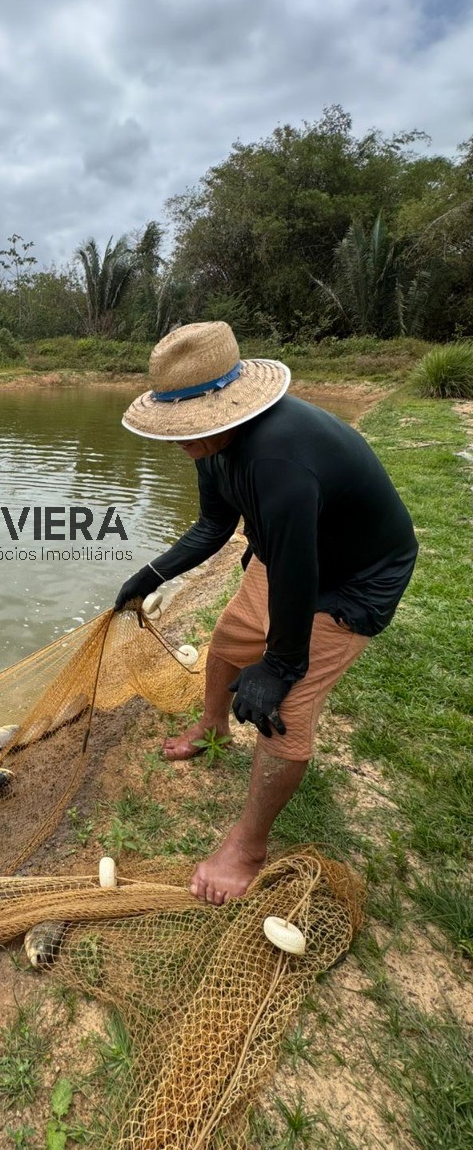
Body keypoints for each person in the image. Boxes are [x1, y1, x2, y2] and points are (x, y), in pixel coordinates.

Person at [114, 322, 417, 905]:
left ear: (227, 406)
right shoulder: (212, 441)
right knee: (229, 638)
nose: (181, 440)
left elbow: (302, 574)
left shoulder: (280, 460)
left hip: (357, 577)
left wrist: (280, 665)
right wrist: (151, 576)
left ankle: (248, 848)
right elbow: (214, 525)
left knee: (286, 708)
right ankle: (213, 726)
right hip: (292, 552)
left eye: (189, 427)